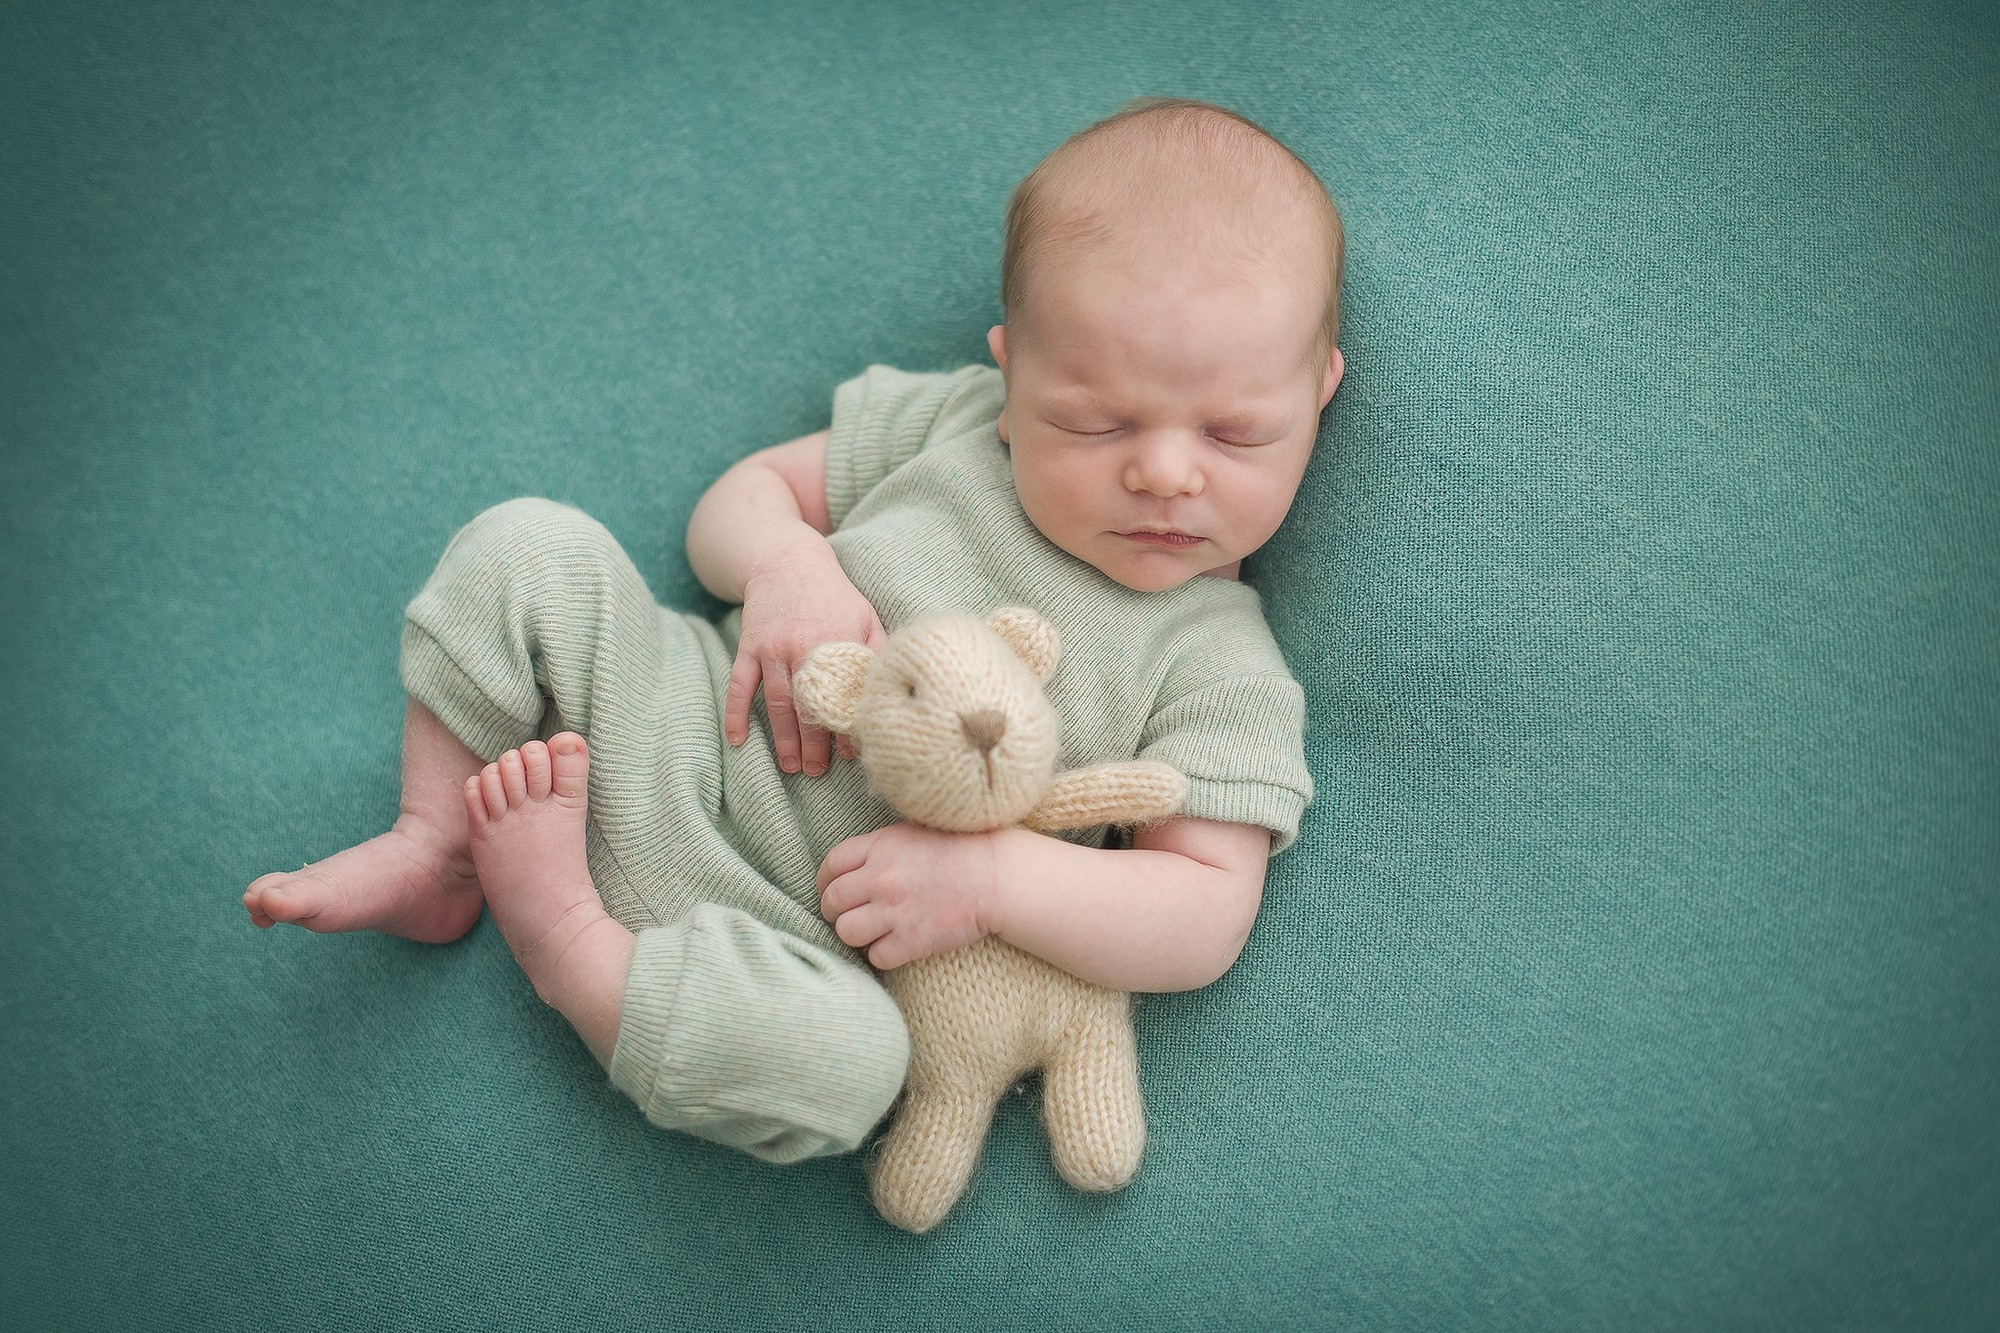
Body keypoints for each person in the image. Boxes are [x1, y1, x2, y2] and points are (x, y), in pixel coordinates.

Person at [242, 96, 1343, 1166]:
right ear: (1011, 376)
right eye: (1091, 422)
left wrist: (990, 883)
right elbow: (742, 497)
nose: (1163, 472)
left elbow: (1202, 914)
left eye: (1235, 434)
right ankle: (437, 841)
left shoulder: (1220, 663)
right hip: (669, 724)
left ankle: (570, 942)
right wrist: (783, 561)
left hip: (806, 934)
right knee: (531, 544)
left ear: (1319, 393)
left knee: (850, 1070)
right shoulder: (955, 424)